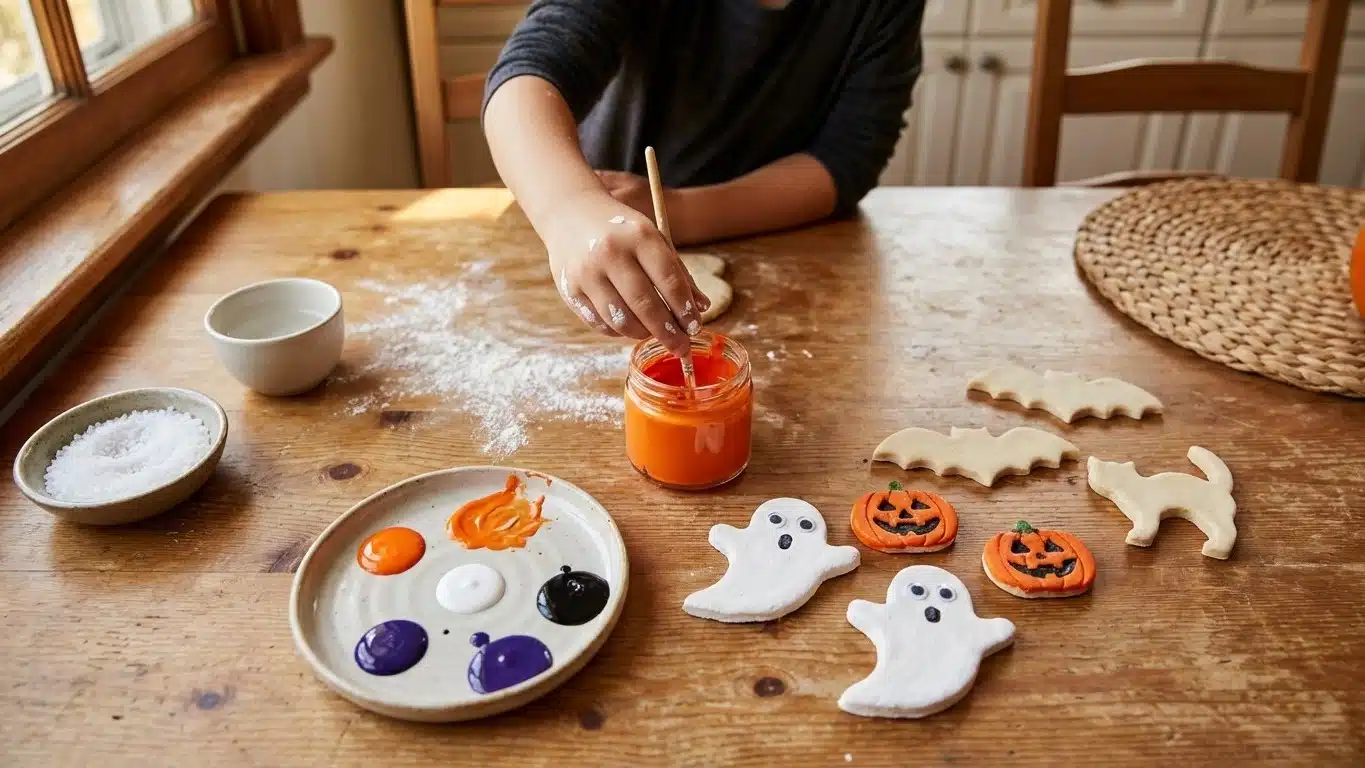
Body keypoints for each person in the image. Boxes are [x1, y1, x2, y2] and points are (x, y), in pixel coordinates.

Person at [482, 0, 925, 359]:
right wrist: (569, 208)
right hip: (597, 257)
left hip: (790, 248)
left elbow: (849, 157)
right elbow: (526, 77)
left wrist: (680, 211)